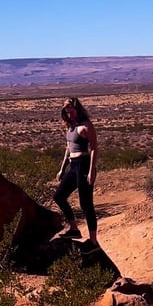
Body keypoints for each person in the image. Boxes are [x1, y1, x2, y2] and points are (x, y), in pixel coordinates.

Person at [53, 97, 99, 244]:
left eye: (71, 111)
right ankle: (74, 229)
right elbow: (68, 149)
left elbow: (94, 148)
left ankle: (93, 241)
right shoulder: (70, 126)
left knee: (86, 204)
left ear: (77, 110)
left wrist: (92, 171)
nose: (69, 115)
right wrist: (62, 169)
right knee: (59, 196)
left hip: (84, 165)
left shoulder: (86, 126)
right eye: (66, 112)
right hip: (73, 166)